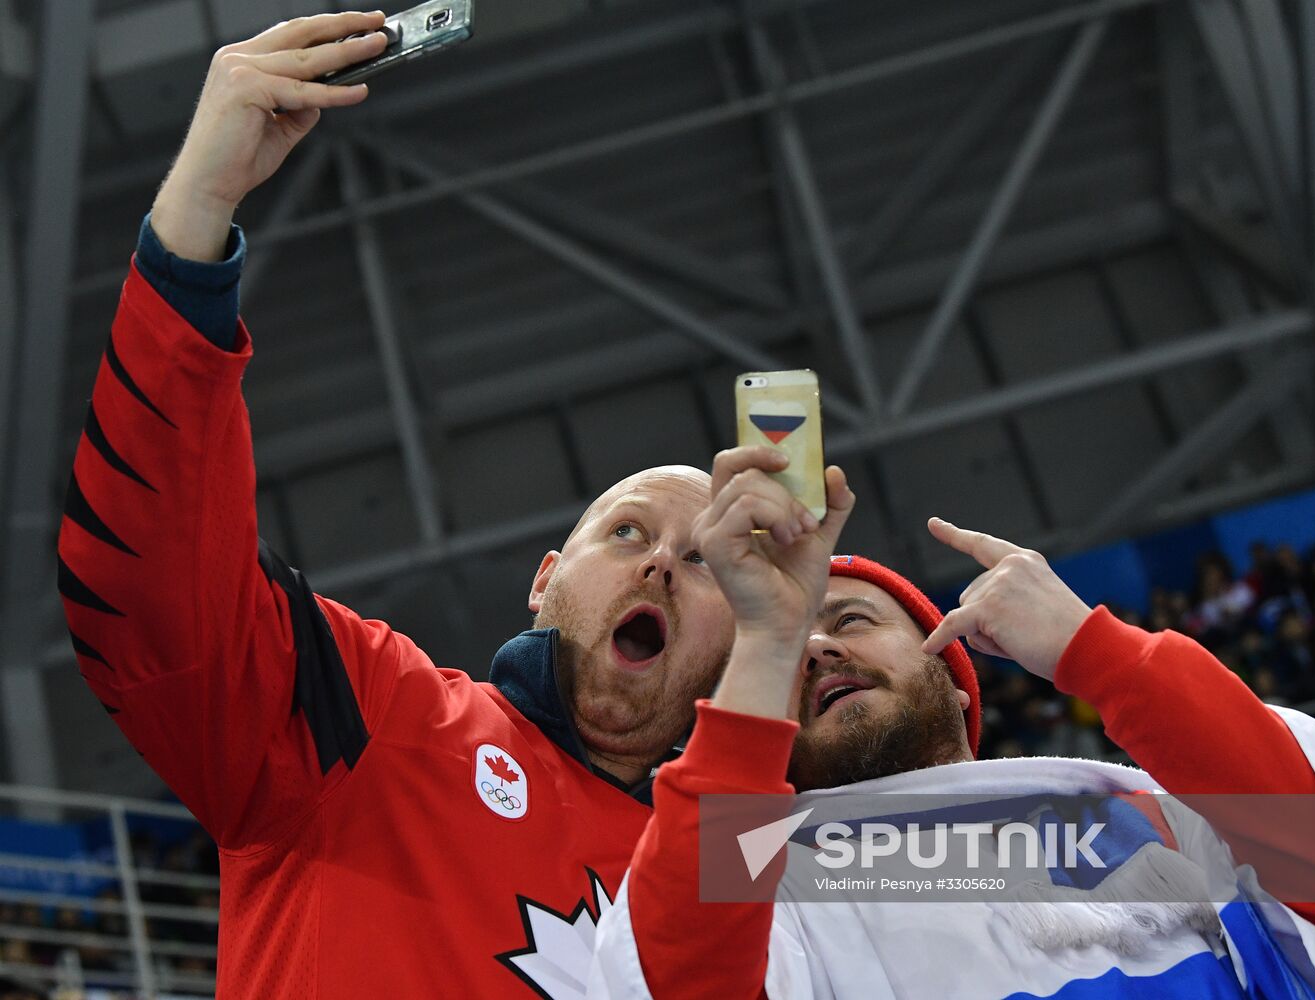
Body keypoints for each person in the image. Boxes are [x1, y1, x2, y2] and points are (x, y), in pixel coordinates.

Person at [54, 13, 813, 997]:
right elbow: (157, 602)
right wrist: (197, 214)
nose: (662, 561)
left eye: (705, 560)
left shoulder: (742, 848)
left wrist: (779, 644)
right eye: (625, 530)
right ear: (544, 582)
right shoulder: (378, 708)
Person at [588, 447, 1315, 999]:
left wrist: (1096, 651)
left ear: (957, 683)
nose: (815, 649)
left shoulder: (1168, 809)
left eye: (850, 619)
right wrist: (761, 638)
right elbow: (678, 982)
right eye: (788, 653)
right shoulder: (771, 887)